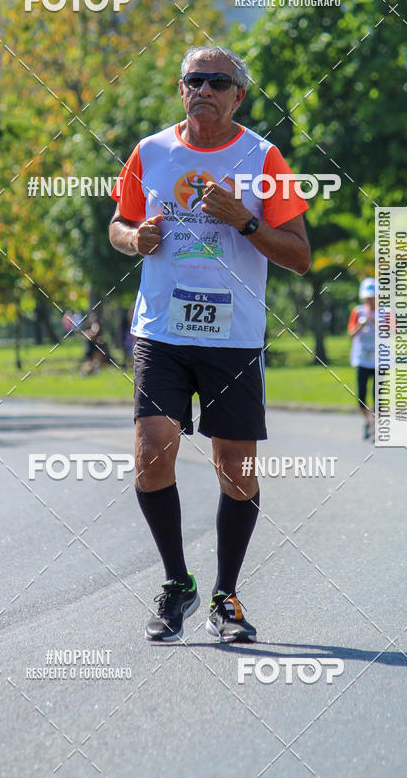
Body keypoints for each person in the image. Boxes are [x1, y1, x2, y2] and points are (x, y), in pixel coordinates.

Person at [109, 45, 311, 643]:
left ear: (238, 95)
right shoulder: (150, 153)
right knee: (151, 450)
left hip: (233, 338)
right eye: (194, 80)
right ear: (181, 89)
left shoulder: (262, 157)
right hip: (162, 331)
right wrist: (134, 238)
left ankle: (226, 595)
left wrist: (244, 220)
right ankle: (178, 584)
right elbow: (119, 228)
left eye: (217, 81)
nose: (204, 89)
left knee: (238, 470)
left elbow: (300, 255)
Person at [347, 277, 377, 440]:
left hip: (379, 360)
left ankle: (374, 427)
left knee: (377, 395)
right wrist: (362, 324)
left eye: (373, 297)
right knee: (361, 397)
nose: (370, 300)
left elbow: (394, 333)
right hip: (361, 359)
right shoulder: (357, 312)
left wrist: (375, 321)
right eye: (368, 298)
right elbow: (350, 333)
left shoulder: (384, 312)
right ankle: (368, 421)